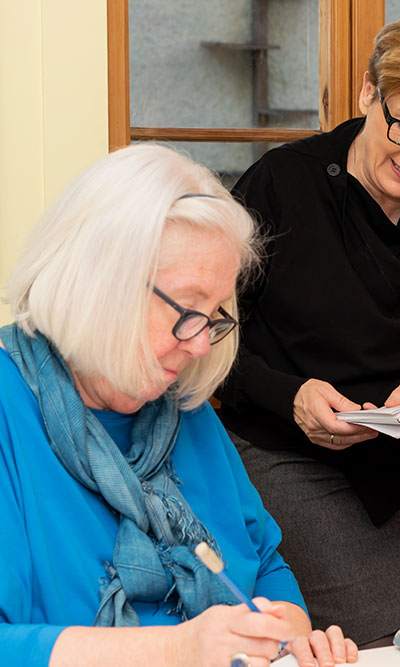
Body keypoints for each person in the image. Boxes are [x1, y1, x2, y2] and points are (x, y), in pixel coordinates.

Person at [0, 144, 359, 667]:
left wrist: (293, 636)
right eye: (187, 310)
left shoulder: (183, 407)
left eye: (215, 315)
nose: (201, 346)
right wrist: (174, 649)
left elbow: (264, 567)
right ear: (100, 284)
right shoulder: (10, 410)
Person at [216, 12, 400, 644]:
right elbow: (207, 341)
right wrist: (290, 397)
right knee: (368, 645)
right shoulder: (282, 184)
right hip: (291, 455)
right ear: (368, 93)